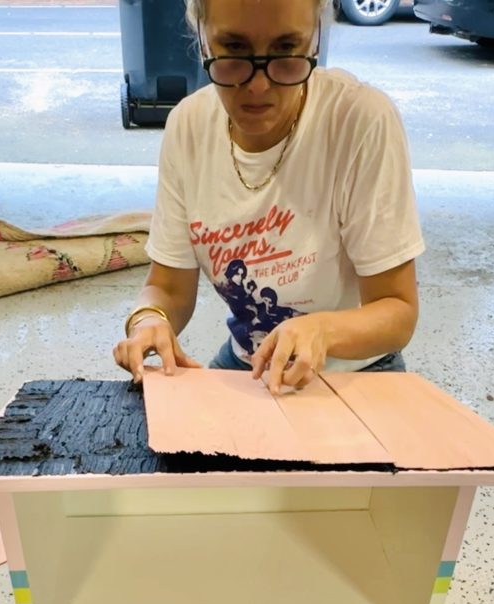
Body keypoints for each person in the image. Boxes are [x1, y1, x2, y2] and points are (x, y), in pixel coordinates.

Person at [113, 0, 424, 395]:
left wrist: (321, 330)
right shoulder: (188, 126)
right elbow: (169, 288)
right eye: (234, 51)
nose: (258, 85)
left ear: (315, 40)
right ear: (203, 42)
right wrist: (149, 321)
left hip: (358, 370)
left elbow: (398, 311)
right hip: (250, 363)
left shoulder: (358, 120)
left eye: (286, 52)